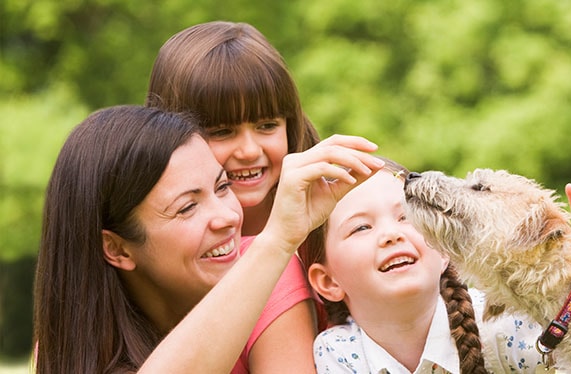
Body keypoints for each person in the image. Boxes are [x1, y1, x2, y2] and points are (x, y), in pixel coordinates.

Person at [32, 105, 384, 373]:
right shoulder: (65, 350)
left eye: (222, 186)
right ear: (117, 248)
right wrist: (276, 240)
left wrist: (277, 243)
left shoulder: (267, 269)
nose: (229, 217)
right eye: (186, 208)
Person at [304, 158, 571, 373]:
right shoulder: (339, 354)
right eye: (361, 228)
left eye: (406, 217)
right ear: (329, 281)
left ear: (445, 249)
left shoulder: (503, 323)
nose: (391, 235)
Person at [145, 21, 327, 371]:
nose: (248, 150)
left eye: (267, 126)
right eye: (222, 131)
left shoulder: (333, 222)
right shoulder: (160, 250)